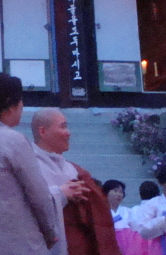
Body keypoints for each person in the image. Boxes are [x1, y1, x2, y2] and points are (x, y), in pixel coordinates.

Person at [0, 73, 57, 255]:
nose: (22, 105)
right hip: (20, 246)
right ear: (10, 105)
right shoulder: (11, 140)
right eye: (21, 100)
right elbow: (39, 195)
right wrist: (50, 231)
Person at [32, 108, 120, 255]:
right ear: (43, 131)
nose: (69, 133)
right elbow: (22, 206)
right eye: (63, 126)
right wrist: (60, 193)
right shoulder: (28, 165)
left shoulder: (75, 170)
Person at [102, 179, 143, 255]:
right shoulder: (101, 212)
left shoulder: (128, 211)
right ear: (106, 193)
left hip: (127, 248)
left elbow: (137, 230)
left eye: (121, 192)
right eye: (115, 191)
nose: (119, 194)